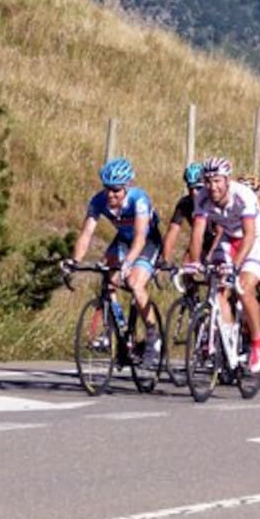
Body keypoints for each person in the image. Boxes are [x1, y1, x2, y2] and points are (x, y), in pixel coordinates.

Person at [65, 157, 164, 367]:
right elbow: (86, 234)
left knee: (135, 283)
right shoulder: (98, 201)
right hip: (123, 240)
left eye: (116, 190)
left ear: (127, 187)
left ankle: (153, 335)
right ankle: (116, 334)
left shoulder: (139, 200)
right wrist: (74, 261)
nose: (111, 194)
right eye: (107, 188)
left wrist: (128, 263)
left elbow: (139, 236)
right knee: (106, 271)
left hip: (147, 241)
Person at [183, 156, 260, 374]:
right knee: (218, 292)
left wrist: (236, 266)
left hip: (254, 239)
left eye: (218, 181)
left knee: (243, 286)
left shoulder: (243, 196)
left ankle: (258, 342)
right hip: (229, 238)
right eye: (209, 181)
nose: (213, 187)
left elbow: (249, 235)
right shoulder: (202, 197)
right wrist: (194, 263)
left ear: (227, 180)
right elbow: (197, 232)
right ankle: (229, 342)